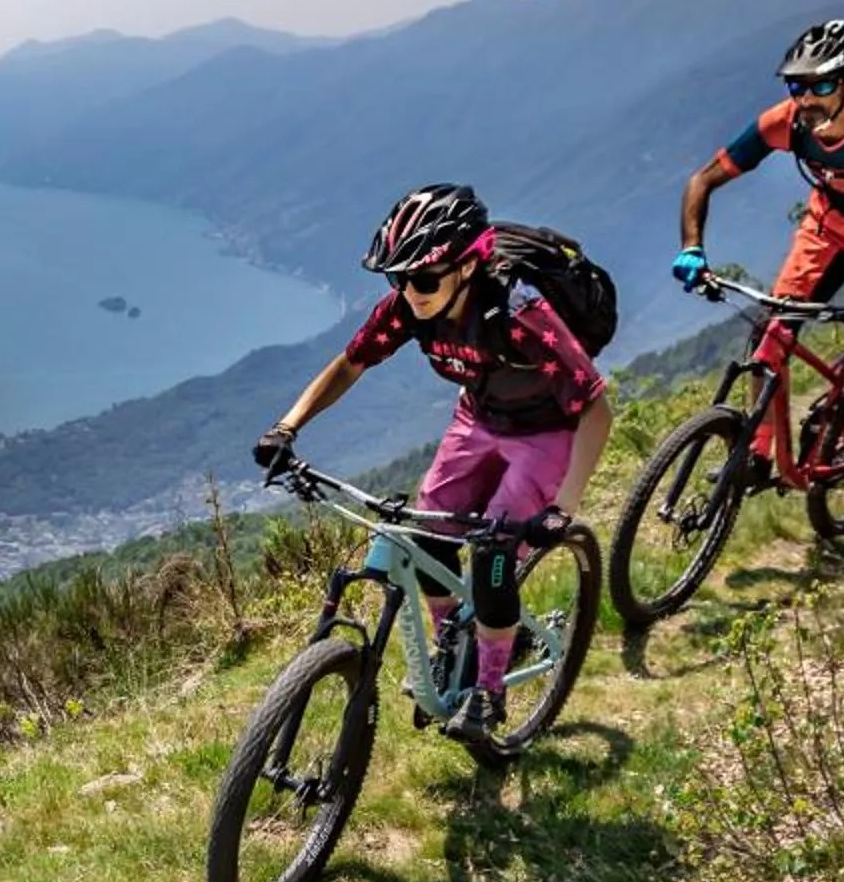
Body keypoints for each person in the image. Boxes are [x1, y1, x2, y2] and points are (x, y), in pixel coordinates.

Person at [251, 184, 614, 744]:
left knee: (493, 557)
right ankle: (454, 643)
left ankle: (489, 690)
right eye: (398, 279)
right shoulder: (411, 307)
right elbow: (351, 363)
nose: (409, 292)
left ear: (468, 266)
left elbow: (595, 407)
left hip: (546, 432)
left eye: (422, 279)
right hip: (478, 419)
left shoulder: (520, 314)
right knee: (425, 535)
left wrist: (565, 505)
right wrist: (287, 426)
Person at [673, 18, 844, 486]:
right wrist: (692, 249)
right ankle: (757, 453)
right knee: (770, 337)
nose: (805, 99)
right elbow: (703, 179)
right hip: (827, 226)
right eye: (796, 85)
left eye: (820, 84)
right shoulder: (784, 123)